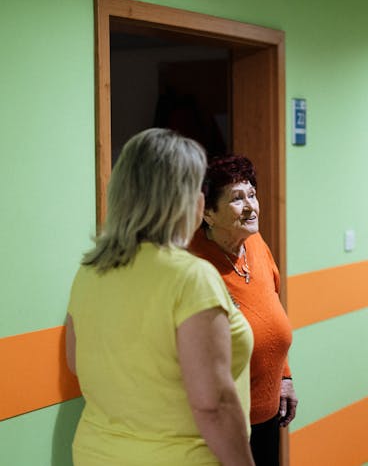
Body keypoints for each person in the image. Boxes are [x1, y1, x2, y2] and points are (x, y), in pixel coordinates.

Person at [65, 128, 255, 466]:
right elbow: (213, 405)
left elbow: (76, 362)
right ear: (190, 201)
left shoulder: (90, 272)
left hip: (96, 454)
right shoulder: (190, 277)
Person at [188, 155, 297, 465]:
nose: (251, 206)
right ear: (208, 212)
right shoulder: (194, 264)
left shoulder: (256, 244)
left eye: (252, 194)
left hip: (267, 413)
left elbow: (272, 313)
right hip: (222, 421)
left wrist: (285, 377)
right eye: (237, 199)